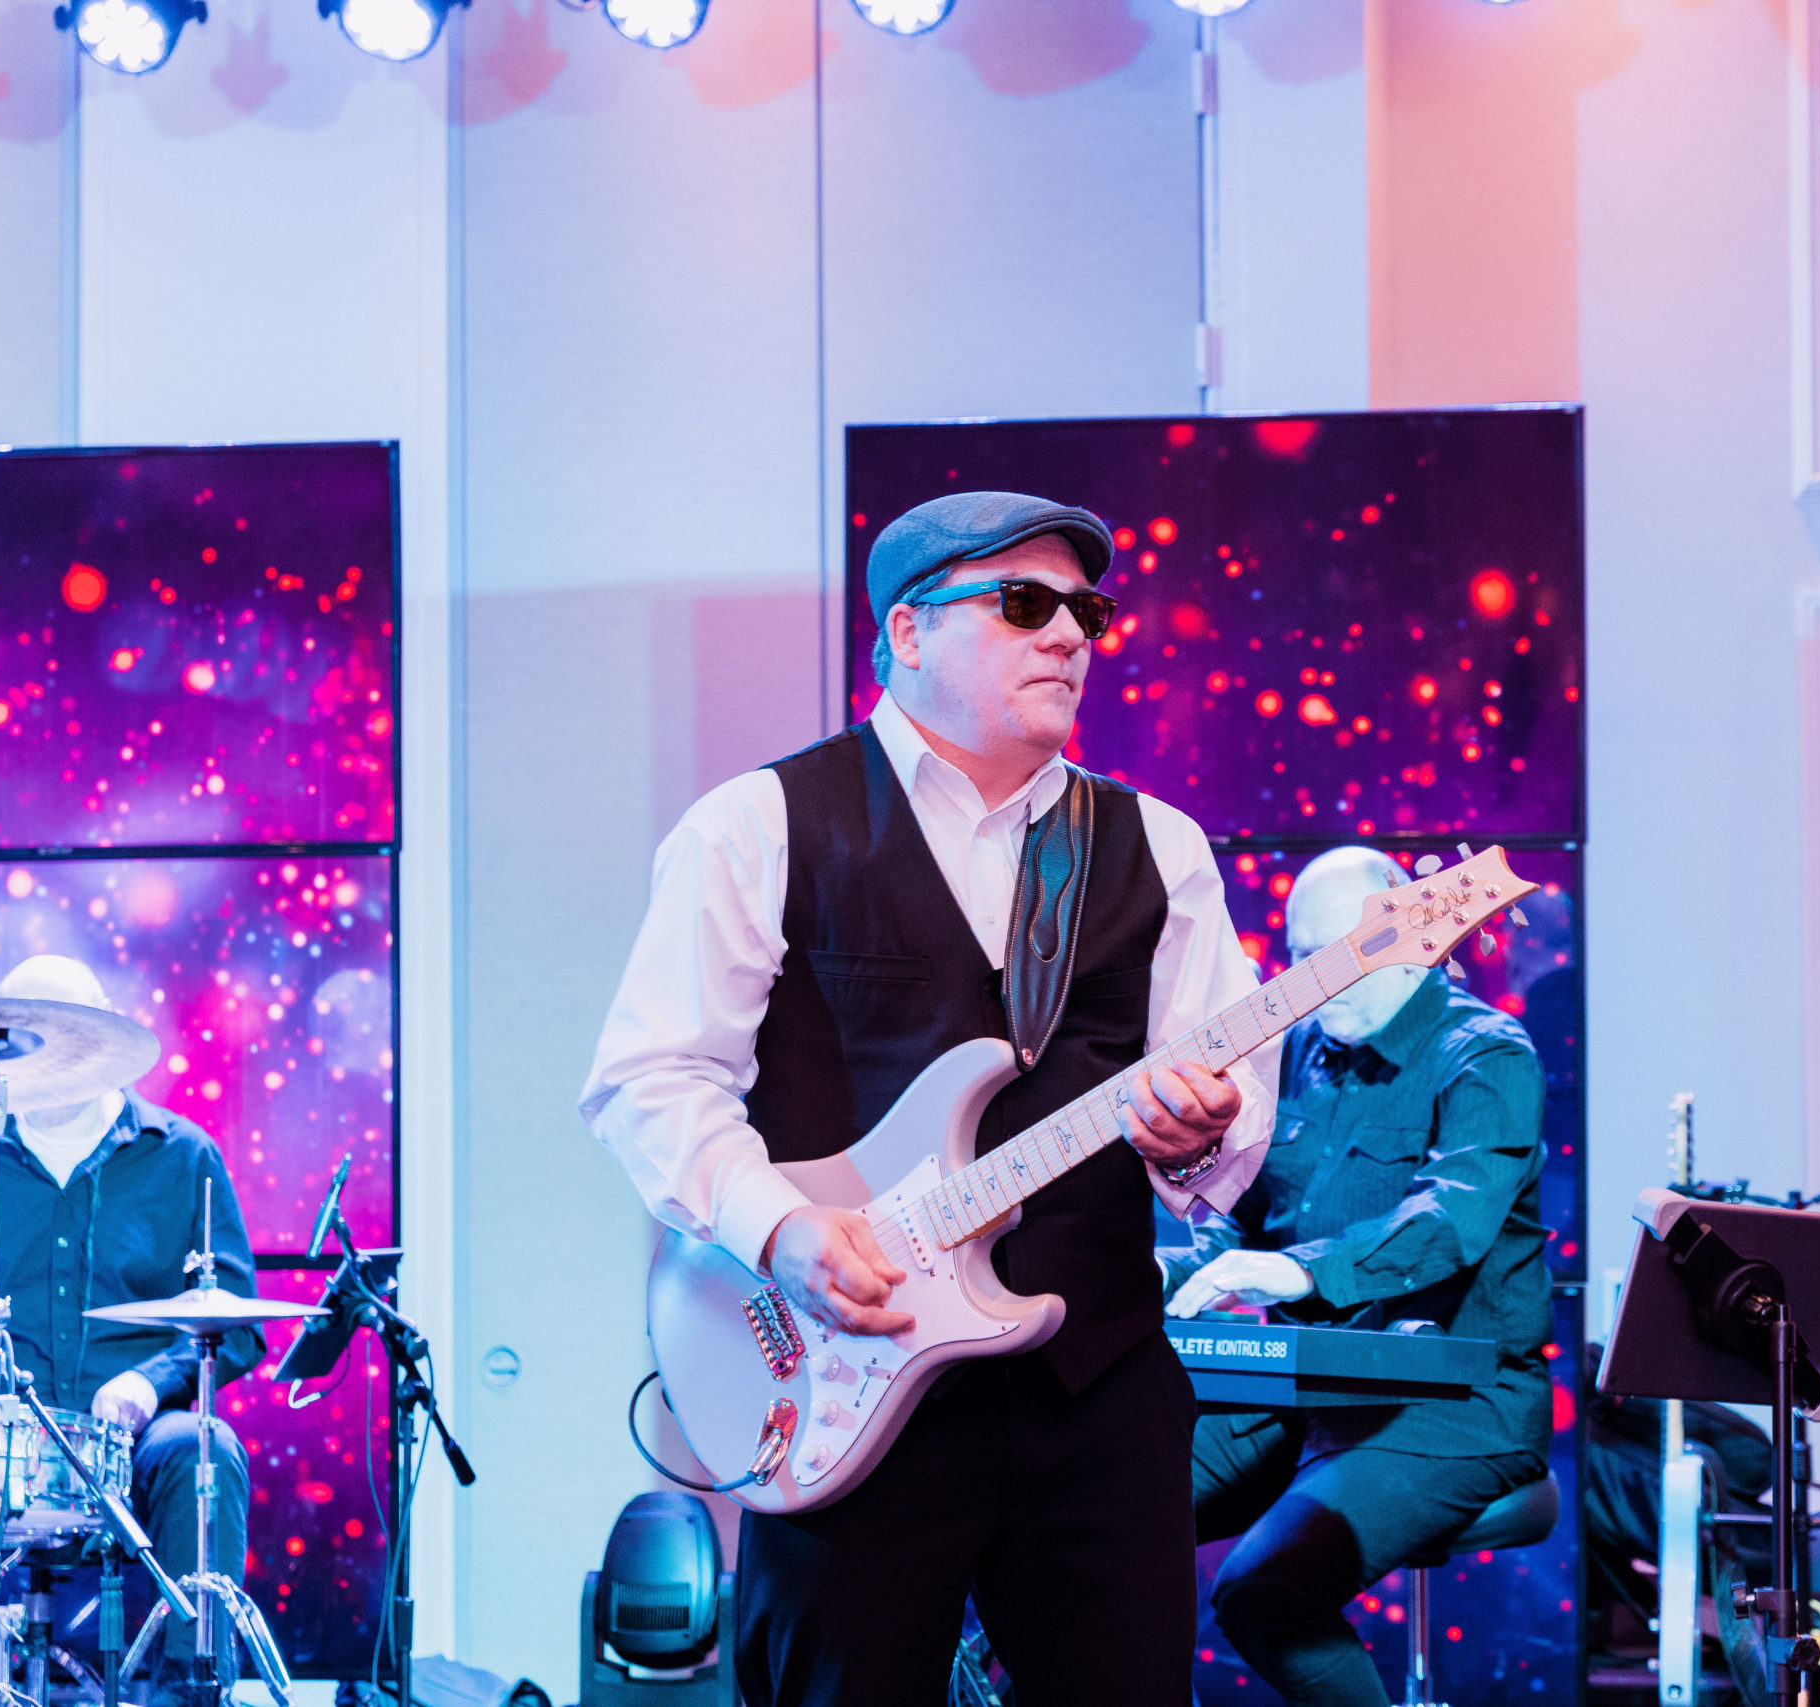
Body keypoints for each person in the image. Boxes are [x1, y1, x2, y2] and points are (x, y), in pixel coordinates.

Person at [583, 490, 1278, 1707]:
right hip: (844, 1374)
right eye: (1024, 603)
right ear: (907, 632)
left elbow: (1226, 1111)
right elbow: (653, 1078)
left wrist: (1198, 1136)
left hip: (1095, 1383)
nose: (1067, 635)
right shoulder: (758, 825)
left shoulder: (1158, 845)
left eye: (1086, 611)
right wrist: (779, 1229)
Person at [1164, 845, 1552, 1707]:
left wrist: (1294, 1271)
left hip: (1456, 1404)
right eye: (1301, 955)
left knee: (1263, 1592)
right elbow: (1235, 1221)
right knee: (1091, 1522)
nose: (1314, 979)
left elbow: (1450, 1219)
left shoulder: (1487, 1053)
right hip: (1305, 1385)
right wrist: (1158, 1271)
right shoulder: (1293, 1053)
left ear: (1413, 935)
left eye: (1338, 953)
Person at [0, 953, 264, 1691]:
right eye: (26, 1041)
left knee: (204, 1450)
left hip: (132, 1441)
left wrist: (151, 1383)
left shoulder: (184, 1157)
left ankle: (190, 1689)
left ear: (104, 1037)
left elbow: (239, 1324)